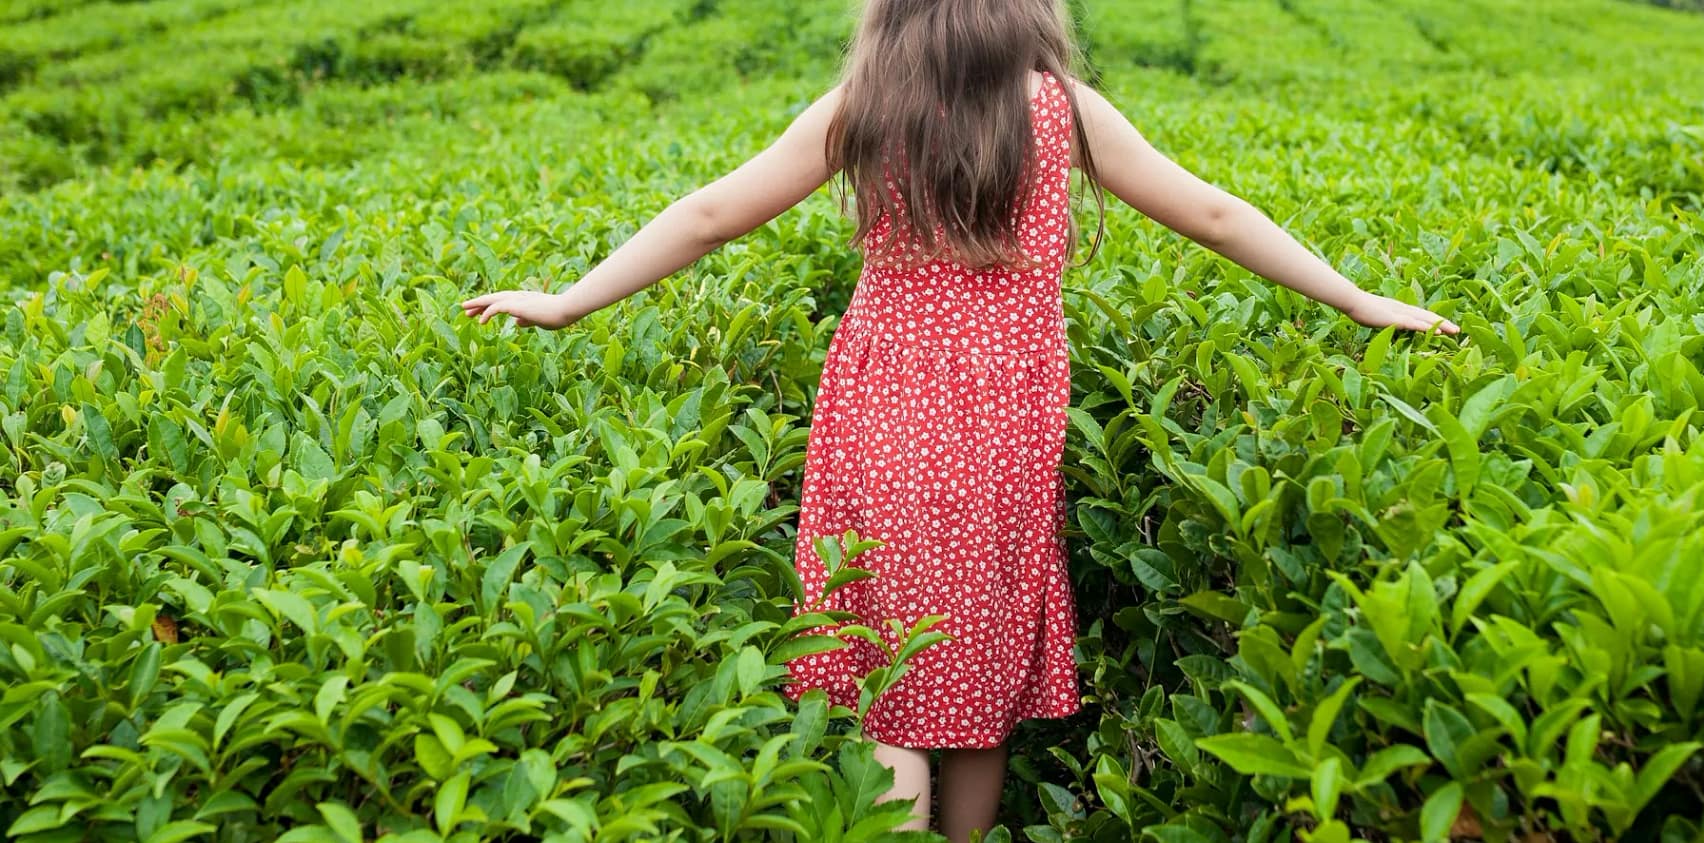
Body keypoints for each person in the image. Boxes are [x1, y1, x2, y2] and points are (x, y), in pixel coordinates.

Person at [459, 1, 1459, 838]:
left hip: (881, 412)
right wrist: (1360, 300)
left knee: (886, 670)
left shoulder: (870, 105)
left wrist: (570, 298)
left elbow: (711, 214)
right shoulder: (1061, 109)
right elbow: (1215, 214)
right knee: (973, 666)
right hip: (1008, 423)